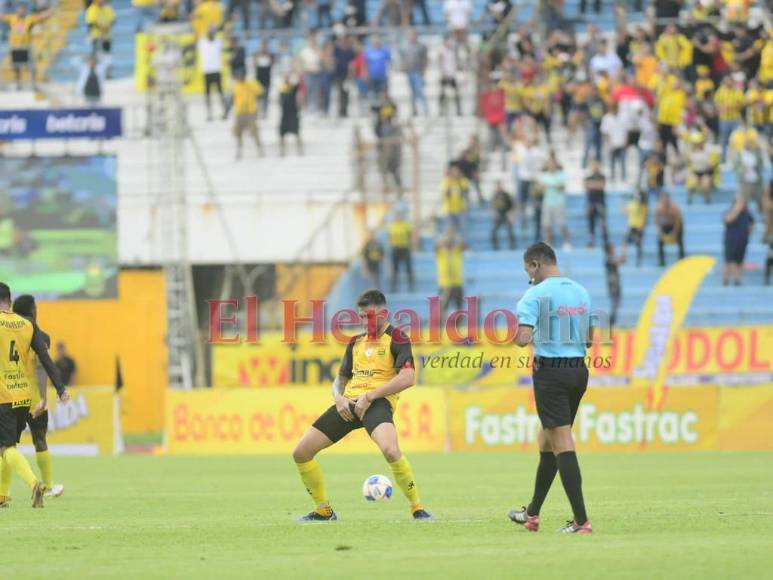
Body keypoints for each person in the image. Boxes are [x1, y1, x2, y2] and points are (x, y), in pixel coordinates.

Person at [292, 289, 431, 521]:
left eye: (368, 316)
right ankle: (323, 510)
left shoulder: (397, 339)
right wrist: (338, 397)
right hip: (349, 405)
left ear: (383, 313)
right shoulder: (355, 343)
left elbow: (407, 378)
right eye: (361, 317)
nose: (364, 321)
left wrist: (371, 396)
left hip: (377, 404)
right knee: (301, 452)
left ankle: (417, 507)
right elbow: (340, 380)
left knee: (390, 450)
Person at [508, 242, 594, 535]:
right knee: (547, 440)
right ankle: (532, 514)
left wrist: (513, 336)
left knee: (561, 441)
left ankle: (582, 521)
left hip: (551, 373)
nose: (528, 277)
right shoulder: (581, 292)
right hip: (578, 371)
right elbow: (591, 339)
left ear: (535, 265)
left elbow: (523, 337)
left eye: (528, 271)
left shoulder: (534, 295)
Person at [0, 282, 69, 509]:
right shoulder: (29, 327)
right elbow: (44, 361)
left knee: (6, 448)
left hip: (4, 396)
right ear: (9, 300)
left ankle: (34, 484)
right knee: (25, 443)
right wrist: (59, 388)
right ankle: (4, 495)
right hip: (25, 396)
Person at [11, 296, 64, 498]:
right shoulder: (42, 337)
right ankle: (48, 486)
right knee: (39, 439)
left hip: (11, 394)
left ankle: (3, 492)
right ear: (33, 311)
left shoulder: (7, 333)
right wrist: (43, 397)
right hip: (34, 397)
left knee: (7, 446)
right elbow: (41, 367)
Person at [0, 4, 55, 90]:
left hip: (25, 47)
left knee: (31, 66)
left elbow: (42, 17)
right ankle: (18, 84)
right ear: (17, 10)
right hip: (15, 47)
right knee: (16, 67)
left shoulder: (29, 19)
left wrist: (51, 10)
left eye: (23, 9)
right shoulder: (12, 18)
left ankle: (33, 84)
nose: (21, 11)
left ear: (25, 11)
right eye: (19, 9)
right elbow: (2, 16)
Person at [539, 154, 570, 250]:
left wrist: (550, 186)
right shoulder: (544, 176)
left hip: (558, 202)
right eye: (549, 164)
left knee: (562, 223)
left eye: (553, 164)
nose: (551, 166)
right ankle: (550, 244)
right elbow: (540, 189)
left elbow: (562, 188)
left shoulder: (562, 174)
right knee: (547, 225)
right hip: (547, 202)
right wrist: (553, 186)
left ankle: (567, 242)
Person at [231, 69, 264, 159]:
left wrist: (259, 108)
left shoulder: (251, 84)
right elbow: (233, 98)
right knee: (237, 132)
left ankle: (259, 148)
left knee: (254, 131)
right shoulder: (236, 86)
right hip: (240, 112)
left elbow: (260, 93)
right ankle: (239, 148)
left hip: (250, 111)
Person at [436, 223, 466, 317]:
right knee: (443, 308)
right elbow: (438, 244)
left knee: (460, 308)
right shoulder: (441, 251)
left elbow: (463, 244)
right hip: (444, 283)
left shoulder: (457, 250)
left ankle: (458, 327)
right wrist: (446, 236)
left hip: (457, 282)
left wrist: (454, 235)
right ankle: (442, 327)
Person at [722, 196, 754, 286]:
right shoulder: (729, 212)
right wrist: (737, 210)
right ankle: (725, 280)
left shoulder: (747, 214)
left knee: (739, 262)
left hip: (742, 241)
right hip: (731, 241)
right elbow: (728, 219)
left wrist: (750, 230)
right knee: (728, 261)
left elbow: (752, 223)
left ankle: (737, 280)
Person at [198, 28, 228, 121]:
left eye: (213, 33)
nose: (211, 35)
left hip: (216, 71)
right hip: (207, 72)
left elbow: (225, 34)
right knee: (207, 95)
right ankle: (209, 114)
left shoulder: (218, 43)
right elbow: (196, 34)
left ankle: (224, 112)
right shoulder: (203, 43)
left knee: (220, 93)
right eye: (210, 33)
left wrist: (226, 26)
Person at [401, 29, 429, 117]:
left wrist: (423, 70)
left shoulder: (421, 46)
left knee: (420, 91)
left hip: (418, 71)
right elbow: (403, 58)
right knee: (412, 92)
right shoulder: (406, 46)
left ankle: (425, 110)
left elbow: (425, 58)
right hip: (409, 72)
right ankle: (414, 110)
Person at [85, 0, 115, 73]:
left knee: (107, 54)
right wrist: (101, 28)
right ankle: (94, 71)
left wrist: (107, 27)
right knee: (96, 54)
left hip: (106, 36)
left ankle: (107, 71)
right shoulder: (91, 9)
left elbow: (113, 20)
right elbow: (90, 23)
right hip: (96, 36)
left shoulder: (108, 8)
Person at [655, 191, 685, 267]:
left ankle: (682, 259)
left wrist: (675, 232)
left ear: (668, 199)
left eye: (665, 199)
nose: (664, 201)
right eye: (662, 199)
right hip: (666, 225)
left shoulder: (675, 207)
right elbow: (658, 222)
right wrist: (661, 233)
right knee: (660, 242)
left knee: (680, 241)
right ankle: (661, 261)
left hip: (676, 225)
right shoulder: (659, 208)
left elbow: (678, 221)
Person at [601, 104, 628, 183]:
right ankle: (613, 178)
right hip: (612, 145)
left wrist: (626, 143)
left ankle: (623, 178)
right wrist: (609, 144)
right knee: (612, 162)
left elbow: (626, 131)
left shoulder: (623, 117)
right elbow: (605, 133)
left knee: (623, 162)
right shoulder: (607, 118)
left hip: (621, 144)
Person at [388, 211, 414, 292]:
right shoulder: (391, 226)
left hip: (404, 248)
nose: (398, 217)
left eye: (399, 216)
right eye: (397, 216)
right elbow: (390, 237)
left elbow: (410, 236)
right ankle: (394, 287)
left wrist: (411, 246)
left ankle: (411, 286)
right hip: (395, 248)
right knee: (395, 269)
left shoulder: (406, 225)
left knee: (408, 267)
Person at [621, 189, 648, 267]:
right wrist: (621, 205)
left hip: (639, 226)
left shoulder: (643, 205)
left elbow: (644, 216)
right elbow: (626, 213)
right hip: (632, 226)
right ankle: (623, 258)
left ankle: (639, 260)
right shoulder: (631, 203)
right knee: (625, 242)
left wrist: (642, 226)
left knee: (638, 243)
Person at [279, 74, 303, 156]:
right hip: (286, 115)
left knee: (297, 133)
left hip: (293, 114)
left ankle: (300, 150)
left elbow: (297, 85)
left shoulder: (292, 89)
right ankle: (282, 151)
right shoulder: (283, 89)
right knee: (282, 134)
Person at [441, 163, 469, 233]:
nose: (455, 173)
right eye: (453, 171)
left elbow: (465, 193)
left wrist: (458, 181)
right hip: (449, 210)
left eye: (456, 171)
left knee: (462, 230)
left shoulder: (463, 181)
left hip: (461, 210)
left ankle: (461, 243)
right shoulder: (447, 181)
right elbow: (446, 193)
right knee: (450, 230)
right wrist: (450, 182)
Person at [585, 159, 607, 247]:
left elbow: (601, 186)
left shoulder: (602, 176)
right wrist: (596, 185)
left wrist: (592, 185)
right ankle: (591, 242)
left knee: (603, 223)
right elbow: (587, 186)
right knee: (591, 224)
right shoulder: (588, 177)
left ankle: (605, 242)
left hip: (600, 203)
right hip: (591, 203)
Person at [491, 180, 515, 250]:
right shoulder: (495, 195)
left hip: (506, 213)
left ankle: (512, 245)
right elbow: (493, 206)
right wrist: (493, 213)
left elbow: (512, 205)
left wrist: (511, 214)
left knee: (510, 230)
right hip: (499, 214)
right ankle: (495, 246)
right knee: (494, 231)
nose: (498, 187)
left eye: (499, 186)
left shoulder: (506, 194)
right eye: (497, 186)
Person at [604, 242, 622, 329]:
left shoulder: (611, 259)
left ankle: (612, 322)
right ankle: (610, 323)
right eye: (612, 248)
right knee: (614, 303)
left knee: (616, 304)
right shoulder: (608, 260)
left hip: (616, 283)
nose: (614, 250)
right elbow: (619, 261)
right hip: (613, 285)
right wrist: (623, 250)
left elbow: (621, 261)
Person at [254, 39, 274, 118]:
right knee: (258, 97)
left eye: (265, 45)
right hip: (259, 79)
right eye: (262, 45)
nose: (264, 47)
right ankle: (258, 112)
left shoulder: (270, 54)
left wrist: (268, 53)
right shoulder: (257, 54)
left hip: (267, 78)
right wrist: (259, 53)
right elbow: (254, 63)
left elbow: (272, 63)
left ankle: (265, 112)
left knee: (266, 97)